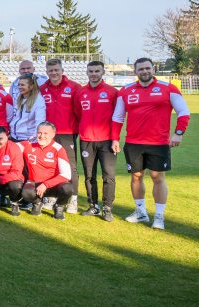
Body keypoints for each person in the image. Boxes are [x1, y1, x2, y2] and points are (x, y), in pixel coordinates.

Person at [111, 57, 190, 230]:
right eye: (141, 69)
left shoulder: (168, 88)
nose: (144, 71)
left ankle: (159, 216)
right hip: (133, 142)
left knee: (157, 177)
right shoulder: (125, 91)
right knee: (136, 176)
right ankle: (141, 212)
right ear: (135, 72)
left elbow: (183, 112)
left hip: (158, 142)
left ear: (153, 69)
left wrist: (178, 133)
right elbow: (117, 117)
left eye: (148, 68)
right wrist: (115, 138)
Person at [73, 61, 117, 221]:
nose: (93, 74)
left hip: (107, 141)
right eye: (90, 71)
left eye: (97, 71)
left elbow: (118, 116)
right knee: (89, 175)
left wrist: (115, 138)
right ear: (86, 72)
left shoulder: (112, 92)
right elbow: (78, 113)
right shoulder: (80, 92)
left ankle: (107, 208)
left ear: (103, 72)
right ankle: (93, 206)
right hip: (86, 140)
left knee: (108, 175)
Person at [40, 59, 82, 213]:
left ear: (62, 70)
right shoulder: (42, 89)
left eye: (56, 70)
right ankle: (51, 196)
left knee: (70, 166)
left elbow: (79, 112)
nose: (54, 73)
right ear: (46, 72)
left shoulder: (74, 87)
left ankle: (73, 200)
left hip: (67, 133)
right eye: (50, 70)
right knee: (50, 165)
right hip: (47, 134)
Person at [20, 121, 74, 220]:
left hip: (53, 185)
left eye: (46, 133)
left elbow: (66, 175)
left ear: (53, 135)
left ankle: (59, 206)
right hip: (35, 184)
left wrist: (46, 184)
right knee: (26, 192)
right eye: (39, 133)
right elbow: (10, 146)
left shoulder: (58, 149)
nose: (42, 136)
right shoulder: (29, 144)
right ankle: (37, 203)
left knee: (68, 188)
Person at [10, 74, 46, 143]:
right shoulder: (18, 97)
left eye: (22, 85)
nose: (19, 87)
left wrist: (34, 138)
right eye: (19, 85)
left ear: (31, 86)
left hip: (28, 139)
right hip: (14, 136)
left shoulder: (38, 100)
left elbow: (40, 121)